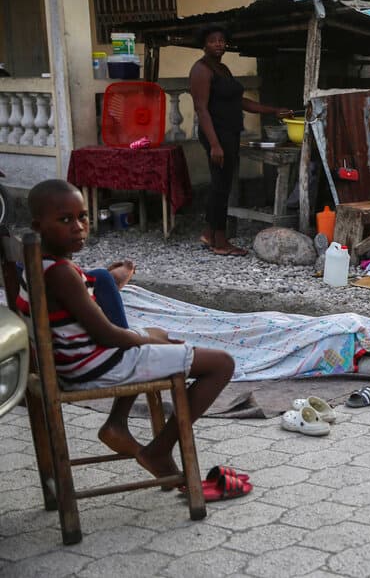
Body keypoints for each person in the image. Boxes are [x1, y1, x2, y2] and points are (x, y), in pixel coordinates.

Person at [20, 180, 235, 482]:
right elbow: (108, 336)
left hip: (72, 363)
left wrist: (147, 336)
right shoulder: (61, 273)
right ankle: (159, 450)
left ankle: (117, 424)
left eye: (83, 216)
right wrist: (146, 340)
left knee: (153, 334)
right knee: (221, 364)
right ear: (38, 225)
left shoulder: (37, 263)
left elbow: (87, 304)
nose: (79, 227)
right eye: (65, 220)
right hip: (92, 367)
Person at [189, 24, 288, 257]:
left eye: (222, 40)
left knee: (221, 183)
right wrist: (214, 144)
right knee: (220, 186)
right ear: (204, 44)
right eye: (213, 40)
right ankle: (220, 242)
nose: (218, 44)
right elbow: (201, 109)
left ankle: (208, 233)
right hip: (216, 133)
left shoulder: (222, 69)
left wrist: (272, 110)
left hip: (230, 132)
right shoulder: (201, 70)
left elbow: (240, 101)